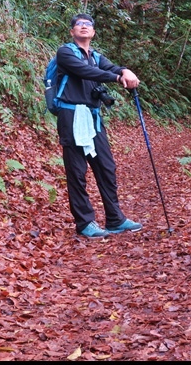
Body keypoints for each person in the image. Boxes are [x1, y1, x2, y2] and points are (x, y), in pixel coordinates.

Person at [54, 13, 144, 239]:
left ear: (93, 32)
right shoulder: (65, 52)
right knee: (77, 171)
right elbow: (86, 72)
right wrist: (115, 78)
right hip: (71, 115)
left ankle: (115, 219)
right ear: (72, 31)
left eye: (88, 25)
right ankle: (85, 222)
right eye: (79, 24)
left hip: (92, 118)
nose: (84, 27)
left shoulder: (95, 56)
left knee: (106, 166)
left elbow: (112, 67)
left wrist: (125, 71)